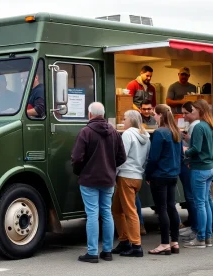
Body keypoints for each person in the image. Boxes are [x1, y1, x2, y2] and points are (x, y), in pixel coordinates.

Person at [71, 102, 126, 263]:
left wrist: (80, 171)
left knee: (92, 214)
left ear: (89, 114)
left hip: (89, 179)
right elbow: (122, 157)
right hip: (108, 179)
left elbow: (76, 158)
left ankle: (92, 252)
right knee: (106, 213)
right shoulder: (114, 132)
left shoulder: (85, 132)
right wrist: (110, 166)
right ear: (103, 114)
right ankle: (107, 251)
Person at [112, 110, 150, 258]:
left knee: (129, 211)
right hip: (137, 176)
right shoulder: (145, 136)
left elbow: (121, 156)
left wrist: (113, 174)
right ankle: (124, 241)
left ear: (132, 120)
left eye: (125, 118)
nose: (123, 120)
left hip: (126, 176)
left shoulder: (127, 134)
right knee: (116, 209)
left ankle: (136, 245)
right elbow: (146, 158)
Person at [145, 104, 182, 255]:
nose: (153, 116)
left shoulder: (160, 133)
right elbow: (180, 155)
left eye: (154, 114)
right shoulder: (176, 131)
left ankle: (164, 243)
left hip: (160, 175)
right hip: (173, 174)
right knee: (171, 207)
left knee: (162, 209)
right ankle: (174, 241)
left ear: (160, 115)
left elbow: (153, 158)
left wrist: (148, 174)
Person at [183, 99, 213, 249]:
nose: (191, 112)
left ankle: (201, 238)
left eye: (193, 110)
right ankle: (207, 236)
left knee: (200, 203)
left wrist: (185, 152)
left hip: (200, 168)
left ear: (200, 111)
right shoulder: (208, 125)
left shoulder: (200, 126)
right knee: (206, 202)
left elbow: (196, 148)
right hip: (208, 167)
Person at [179, 102, 199, 241]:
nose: (184, 116)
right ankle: (196, 226)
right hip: (194, 165)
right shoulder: (197, 125)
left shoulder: (195, 126)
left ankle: (197, 228)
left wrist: (186, 151)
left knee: (193, 198)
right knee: (195, 198)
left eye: (186, 113)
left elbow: (196, 147)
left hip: (191, 165)